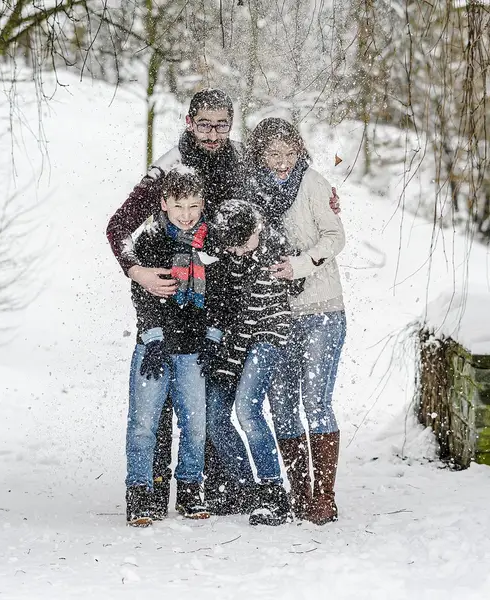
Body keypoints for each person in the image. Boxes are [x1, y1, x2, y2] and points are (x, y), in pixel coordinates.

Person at [106, 90, 340, 517]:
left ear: (231, 124)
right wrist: (135, 269)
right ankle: (152, 493)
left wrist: (322, 191)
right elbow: (119, 226)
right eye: (204, 124)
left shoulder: (238, 159)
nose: (213, 133)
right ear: (189, 121)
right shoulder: (170, 165)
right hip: (171, 299)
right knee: (159, 406)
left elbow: (280, 175)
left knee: (209, 406)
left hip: (223, 305)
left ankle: (217, 488)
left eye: (221, 124)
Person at [247, 118, 347, 525]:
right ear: (260, 156)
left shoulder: (314, 184)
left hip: (322, 309)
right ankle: (300, 493)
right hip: (275, 315)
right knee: (282, 406)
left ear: (300, 151)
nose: (283, 162)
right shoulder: (251, 189)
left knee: (316, 402)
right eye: (273, 154)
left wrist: (300, 265)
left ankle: (324, 495)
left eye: (290, 153)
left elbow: (335, 236)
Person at [123, 169, 217, 527]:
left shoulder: (210, 243)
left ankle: (191, 489)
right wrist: (154, 337)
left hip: (193, 349)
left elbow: (219, 295)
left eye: (194, 205)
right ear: (164, 204)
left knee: (196, 425)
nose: (186, 214)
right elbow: (143, 293)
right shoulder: (150, 240)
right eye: (178, 205)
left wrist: (213, 336)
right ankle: (140, 494)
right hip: (155, 346)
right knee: (144, 424)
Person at [207, 200, 305, 526]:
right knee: (213, 415)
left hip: (268, 336)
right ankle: (247, 487)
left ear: (257, 228)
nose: (238, 252)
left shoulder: (276, 247)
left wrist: (289, 267)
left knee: (247, 409)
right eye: (231, 247)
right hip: (235, 343)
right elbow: (223, 302)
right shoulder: (229, 257)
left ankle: (272, 492)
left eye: (242, 243)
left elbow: (298, 280)